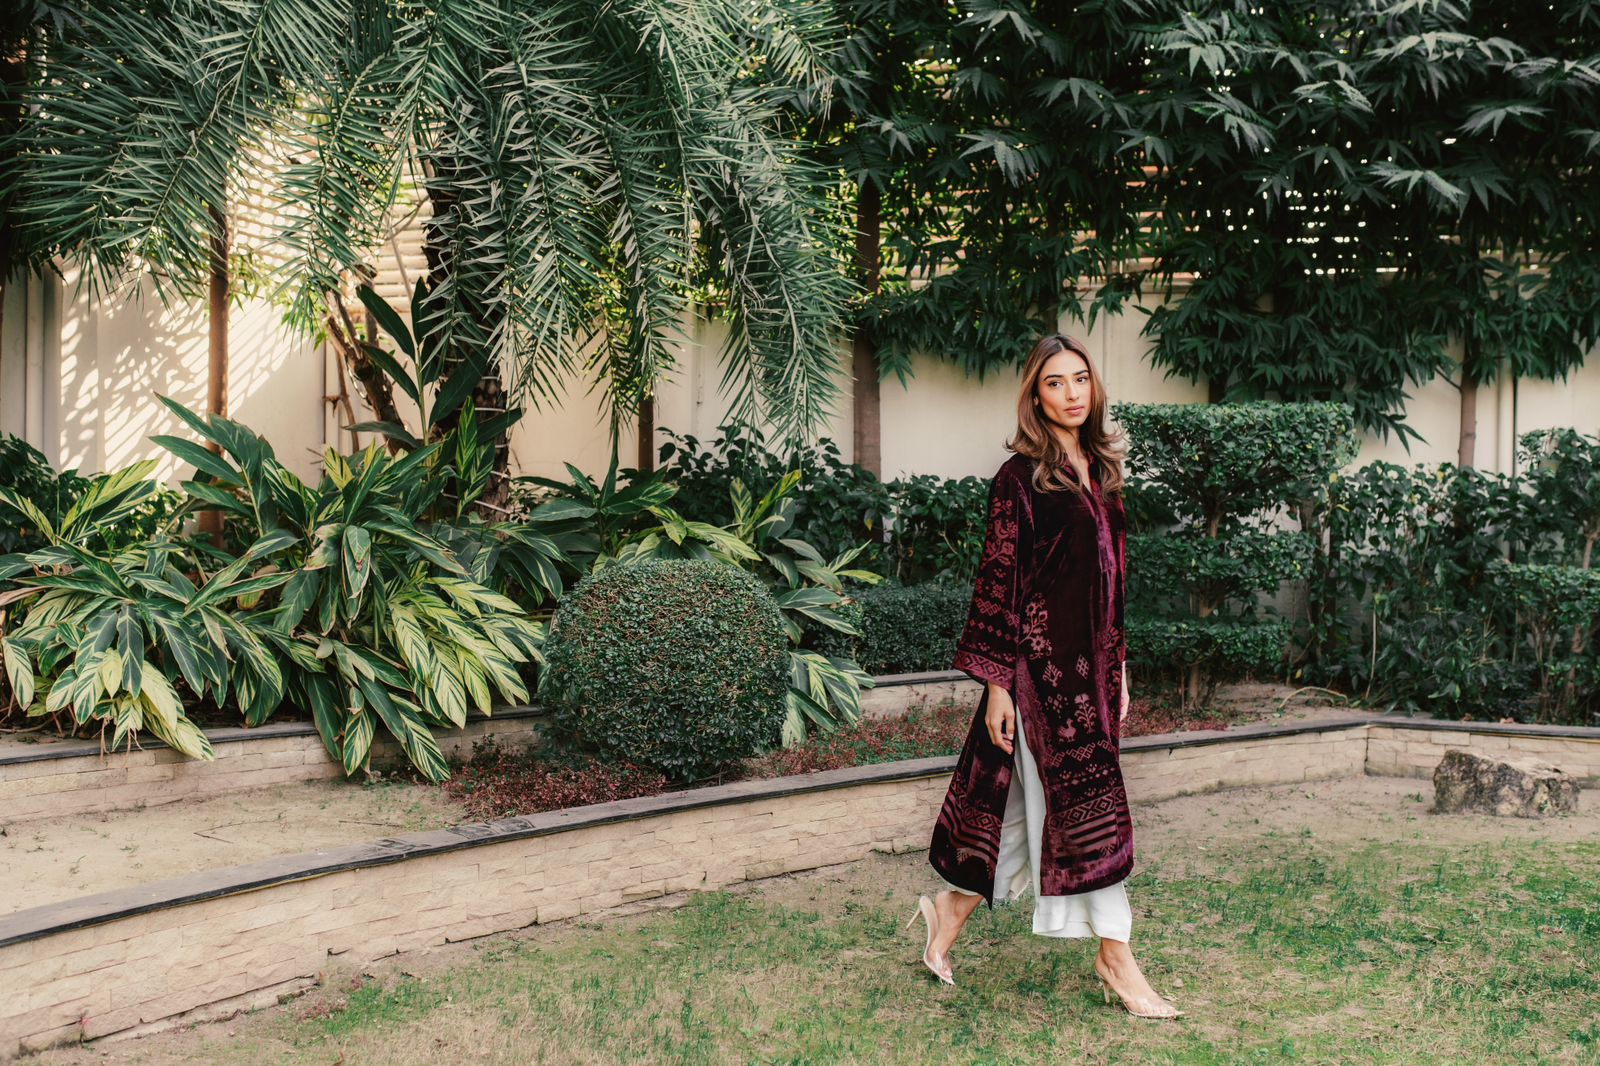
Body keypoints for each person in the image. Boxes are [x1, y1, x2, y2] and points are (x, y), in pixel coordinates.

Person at [907, 332, 1182, 1020]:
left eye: (1080, 379)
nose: (1071, 393)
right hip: (1041, 679)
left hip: (1092, 674)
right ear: (1035, 396)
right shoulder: (1019, 478)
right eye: (1054, 383)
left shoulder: (1103, 470)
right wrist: (998, 684)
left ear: (1094, 387)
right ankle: (1116, 957)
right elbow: (999, 580)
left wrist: (1119, 665)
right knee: (1090, 812)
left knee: (1024, 810)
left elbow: (1113, 582)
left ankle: (947, 913)